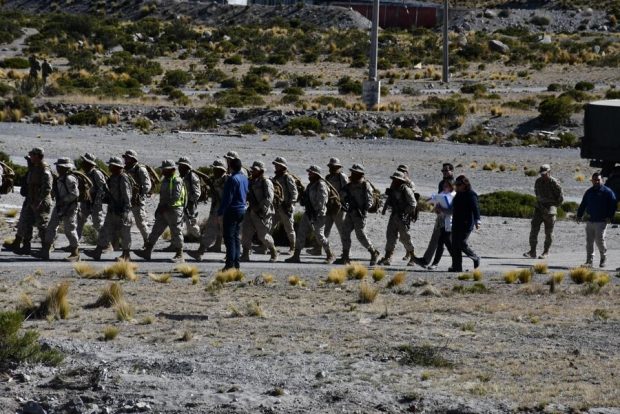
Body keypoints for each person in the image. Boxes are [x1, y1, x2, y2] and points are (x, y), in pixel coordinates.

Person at [135, 160, 187, 263]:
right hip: (164, 210)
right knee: (155, 231)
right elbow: (163, 196)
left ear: (172, 170)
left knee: (176, 232)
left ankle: (179, 255)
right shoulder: (166, 180)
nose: (162, 171)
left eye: (165, 169)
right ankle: (147, 251)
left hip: (174, 210)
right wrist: (159, 208)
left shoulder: (176, 180)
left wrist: (165, 206)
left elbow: (176, 197)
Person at [5, 148, 53, 255]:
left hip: (40, 201)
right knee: (27, 222)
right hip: (31, 199)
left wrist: (39, 201)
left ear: (37, 156)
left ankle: (46, 249)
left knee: (42, 225)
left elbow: (47, 188)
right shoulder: (34, 167)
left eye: (32, 155)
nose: (30, 157)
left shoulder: (45, 170)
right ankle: (26, 246)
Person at [84, 157, 133, 261]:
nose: (109, 167)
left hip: (122, 211)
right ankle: (97, 251)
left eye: (111, 165)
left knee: (124, 233)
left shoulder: (123, 178)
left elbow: (127, 196)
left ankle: (126, 255)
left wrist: (125, 210)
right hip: (112, 209)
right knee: (105, 230)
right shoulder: (113, 177)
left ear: (117, 166)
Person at [285, 165, 334, 264]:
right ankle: (296, 256)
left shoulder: (321, 185)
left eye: (311, 173)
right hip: (309, 213)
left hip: (318, 215)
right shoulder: (311, 184)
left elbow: (322, 201)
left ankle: (330, 254)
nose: (309, 174)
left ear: (316, 174)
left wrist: (317, 213)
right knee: (301, 233)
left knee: (319, 236)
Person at [34, 158, 80, 261]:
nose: (58, 168)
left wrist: (64, 200)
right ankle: (45, 251)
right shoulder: (61, 178)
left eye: (60, 167)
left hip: (70, 207)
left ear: (65, 168)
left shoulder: (69, 179)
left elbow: (75, 194)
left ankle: (75, 253)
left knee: (70, 229)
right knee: (51, 227)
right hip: (60, 206)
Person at [335, 163, 380, 265]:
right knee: (345, 232)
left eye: (355, 173)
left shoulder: (365, 185)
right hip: (350, 213)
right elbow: (341, 196)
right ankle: (345, 257)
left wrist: (362, 209)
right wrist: (344, 201)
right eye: (352, 172)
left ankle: (373, 252)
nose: (353, 174)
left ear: (360, 174)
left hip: (360, 215)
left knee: (361, 235)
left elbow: (369, 202)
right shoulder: (349, 186)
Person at [188, 159, 229, 261]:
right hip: (216, 210)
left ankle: (229, 255)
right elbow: (208, 180)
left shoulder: (228, 180)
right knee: (209, 230)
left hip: (226, 211)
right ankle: (200, 252)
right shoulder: (215, 179)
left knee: (227, 234)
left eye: (216, 169)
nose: (214, 171)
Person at [416, 162, 455, 266]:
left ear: (452, 171)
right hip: (440, 215)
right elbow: (439, 197)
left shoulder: (455, 183)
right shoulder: (441, 183)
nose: (444, 172)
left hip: (450, 217)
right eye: (443, 171)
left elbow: (453, 200)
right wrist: (436, 206)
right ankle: (426, 260)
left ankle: (456, 262)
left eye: (446, 170)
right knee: (436, 239)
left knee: (447, 241)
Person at [576, 172, 617, 268]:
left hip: (602, 220)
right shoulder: (589, 192)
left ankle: (603, 257)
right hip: (590, 220)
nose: (596, 181)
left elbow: (613, 205)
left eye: (598, 180)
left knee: (599, 240)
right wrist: (579, 215)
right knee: (589, 241)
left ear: (602, 180)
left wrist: (610, 216)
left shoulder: (608, 192)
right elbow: (583, 204)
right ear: (592, 181)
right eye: (595, 180)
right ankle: (589, 261)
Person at [307, 157, 348, 256]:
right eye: (330, 166)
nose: (331, 168)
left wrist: (337, 198)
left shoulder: (342, 176)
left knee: (342, 230)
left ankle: (346, 251)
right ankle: (318, 249)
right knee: (324, 230)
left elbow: (347, 190)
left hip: (339, 208)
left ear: (338, 167)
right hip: (329, 208)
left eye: (333, 166)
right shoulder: (328, 177)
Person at [524, 164, 564, 259]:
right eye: (541, 174)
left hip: (550, 210)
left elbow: (561, 197)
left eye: (544, 174)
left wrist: (553, 206)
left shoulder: (554, 182)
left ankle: (546, 252)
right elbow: (536, 193)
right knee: (534, 229)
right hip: (539, 208)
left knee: (549, 232)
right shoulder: (538, 181)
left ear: (549, 172)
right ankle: (532, 251)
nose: (542, 175)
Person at [377, 171, 417, 266]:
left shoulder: (406, 190)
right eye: (393, 179)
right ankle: (388, 257)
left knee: (405, 238)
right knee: (390, 236)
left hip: (402, 218)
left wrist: (404, 212)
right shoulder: (393, 189)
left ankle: (413, 257)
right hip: (394, 216)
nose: (394, 181)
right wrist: (384, 209)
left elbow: (413, 204)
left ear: (400, 181)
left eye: (396, 179)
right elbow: (388, 200)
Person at [241, 161, 278, 263]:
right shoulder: (251, 181)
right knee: (246, 232)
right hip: (251, 210)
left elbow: (269, 198)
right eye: (253, 169)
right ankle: (245, 254)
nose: (253, 171)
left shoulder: (266, 182)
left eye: (255, 170)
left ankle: (273, 252)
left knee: (263, 235)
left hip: (263, 212)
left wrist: (260, 207)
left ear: (261, 171)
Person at [218, 157, 249, 270]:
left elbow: (227, 198)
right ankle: (236, 264)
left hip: (232, 210)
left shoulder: (232, 179)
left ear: (230, 167)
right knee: (236, 238)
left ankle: (229, 264)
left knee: (229, 238)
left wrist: (220, 212)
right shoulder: (245, 179)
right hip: (242, 210)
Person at [450, 175, 481, 272]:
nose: (457, 186)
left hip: (466, 224)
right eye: (456, 184)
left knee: (462, 243)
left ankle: (475, 257)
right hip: (456, 223)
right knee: (455, 245)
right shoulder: (457, 194)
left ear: (465, 184)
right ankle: (457, 267)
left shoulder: (471, 194)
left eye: (459, 184)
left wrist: (477, 221)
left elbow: (475, 209)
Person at [123, 150, 152, 246]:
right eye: (125, 157)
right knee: (124, 222)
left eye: (127, 158)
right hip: (126, 200)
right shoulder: (125, 169)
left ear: (132, 158)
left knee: (141, 223)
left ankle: (148, 243)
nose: (125, 159)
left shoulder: (140, 169)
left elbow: (147, 185)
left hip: (137, 201)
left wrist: (139, 195)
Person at [424, 179, 455, 270]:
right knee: (443, 242)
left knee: (445, 242)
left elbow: (451, 211)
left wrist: (441, 209)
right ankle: (453, 262)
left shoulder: (454, 196)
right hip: (442, 222)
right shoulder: (442, 194)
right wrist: (437, 209)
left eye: (447, 186)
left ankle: (437, 263)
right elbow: (431, 203)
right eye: (444, 186)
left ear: (451, 187)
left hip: (450, 222)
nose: (444, 187)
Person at [76, 153, 107, 241]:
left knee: (97, 223)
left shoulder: (96, 173)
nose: (82, 163)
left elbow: (103, 188)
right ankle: (74, 243)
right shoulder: (85, 173)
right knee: (80, 221)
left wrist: (96, 201)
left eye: (84, 161)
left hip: (96, 202)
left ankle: (106, 243)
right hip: (86, 202)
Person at [271, 156, 298, 254]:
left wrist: (291, 204)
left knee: (289, 228)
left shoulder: (288, 177)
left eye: (278, 165)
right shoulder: (276, 178)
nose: (276, 167)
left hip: (286, 207)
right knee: (270, 226)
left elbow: (294, 192)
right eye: (276, 165)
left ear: (282, 166)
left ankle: (293, 247)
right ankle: (268, 246)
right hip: (276, 207)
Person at [177, 156, 201, 239]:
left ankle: (201, 241)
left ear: (186, 167)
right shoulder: (181, 177)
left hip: (190, 205)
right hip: (180, 204)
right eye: (179, 166)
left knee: (192, 225)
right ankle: (176, 244)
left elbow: (197, 193)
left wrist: (188, 202)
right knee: (178, 224)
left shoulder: (193, 177)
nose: (179, 168)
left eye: (181, 166)